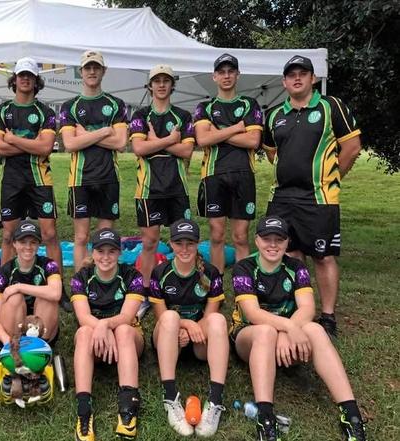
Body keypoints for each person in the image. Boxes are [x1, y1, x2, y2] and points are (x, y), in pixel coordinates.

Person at [230, 215, 367, 441]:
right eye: (267, 239)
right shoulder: (244, 267)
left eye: (279, 239)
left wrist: (288, 332)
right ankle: (265, 419)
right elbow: (252, 314)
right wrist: (286, 329)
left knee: (316, 330)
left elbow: (307, 308)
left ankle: (351, 414)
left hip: (290, 340)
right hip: (250, 338)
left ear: (287, 242)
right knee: (266, 332)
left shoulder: (297, 267)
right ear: (256, 241)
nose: (273, 245)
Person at [263, 55, 362, 338]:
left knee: (323, 255)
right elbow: (272, 152)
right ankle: (300, 309)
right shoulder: (275, 115)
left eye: (303, 73)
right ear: (284, 82)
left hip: (318, 198)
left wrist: (332, 177)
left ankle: (328, 315)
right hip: (282, 198)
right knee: (291, 254)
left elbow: (352, 147)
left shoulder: (331, 107)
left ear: (313, 79)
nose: (297, 78)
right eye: (291, 74)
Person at [149, 219, 228, 437]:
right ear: (171, 244)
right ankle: (170, 396)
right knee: (171, 318)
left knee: (219, 321)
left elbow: (211, 313)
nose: (184, 249)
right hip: (168, 338)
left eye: (190, 243)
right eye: (179, 243)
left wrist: (193, 330)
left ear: (198, 244)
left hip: (199, 342)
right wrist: (184, 325)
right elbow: (160, 316)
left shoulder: (210, 273)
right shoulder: (160, 273)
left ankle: (215, 401)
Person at [70, 228, 145, 441]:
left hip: (127, 339)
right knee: (84, 331)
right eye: (100, 251)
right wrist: (102, 328)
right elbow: (84, 317)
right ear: (92, 254)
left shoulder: (132, 275)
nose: (105, 257)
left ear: (119, 253)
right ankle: (84, 412)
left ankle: (128, 409)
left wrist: (106, 325)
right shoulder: (80, 277)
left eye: (111, 251)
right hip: (93, 341)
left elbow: (128, 316)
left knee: (122, 329)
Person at [129, 64, 195, 296]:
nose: (161, 85)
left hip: (177, 188)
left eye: (166, 80)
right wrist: (170, 140)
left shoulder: (183, 116)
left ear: (172, 85)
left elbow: (187, 152)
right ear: (150, 86)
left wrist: (155, 141)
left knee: (183, 240)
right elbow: (138, 147)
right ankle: (146, 290)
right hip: (149, 189)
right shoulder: (140, 115)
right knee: (149, 242)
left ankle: (181, 286)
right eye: (156, 81)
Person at [194, 54, 263, 274]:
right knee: (216, 234)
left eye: (230, 71)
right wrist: (236, 128)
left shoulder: (249, 104)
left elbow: (253, 141)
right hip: (214, 175)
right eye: (221, 72)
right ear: (214, 77)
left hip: (243, 175)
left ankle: (244, 284)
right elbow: (203, 139)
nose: (226, 76)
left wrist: (218, 132)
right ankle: (216, 281)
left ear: (237, 74)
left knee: (241, 236)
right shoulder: (205, 107)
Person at [0, 57, 62, 271]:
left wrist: (13, 139)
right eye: (22, 75)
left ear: (36, 80)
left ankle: (56, 286)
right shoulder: (1, 111)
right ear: (15, 79)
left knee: (49, 234)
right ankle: (2, 283)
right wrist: (32, 143)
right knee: (8, 235)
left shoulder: (45, 112)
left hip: (40, 179)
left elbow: (46, 148)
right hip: (12, 180)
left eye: (30, 75)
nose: (25, 79)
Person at [59, 50, 129, 270]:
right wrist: (104, 132)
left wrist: (85, 135)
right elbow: (69, 144)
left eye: (96, 67)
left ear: (103, 71)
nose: (91, 71)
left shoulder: (116, 104)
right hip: (81, 179)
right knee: (80, 238)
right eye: (87, 68)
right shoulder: (69, 106)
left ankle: (102, 285)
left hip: (109, 178)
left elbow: (120, 143)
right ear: (81, 72)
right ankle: (82, 286)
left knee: (105, 238)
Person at [0, 220, 61, 345]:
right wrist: (6, 341)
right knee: (15, 299)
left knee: (47, 298)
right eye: (23, 242)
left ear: (39, 244)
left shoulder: (49, 265)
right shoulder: (4, 272)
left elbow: (56, 293)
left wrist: (19, 287)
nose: (28, 247)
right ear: (14, 244)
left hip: (43, 327)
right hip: (13, 329)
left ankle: (39, 347)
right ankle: (16, 344)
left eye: (33, 242)